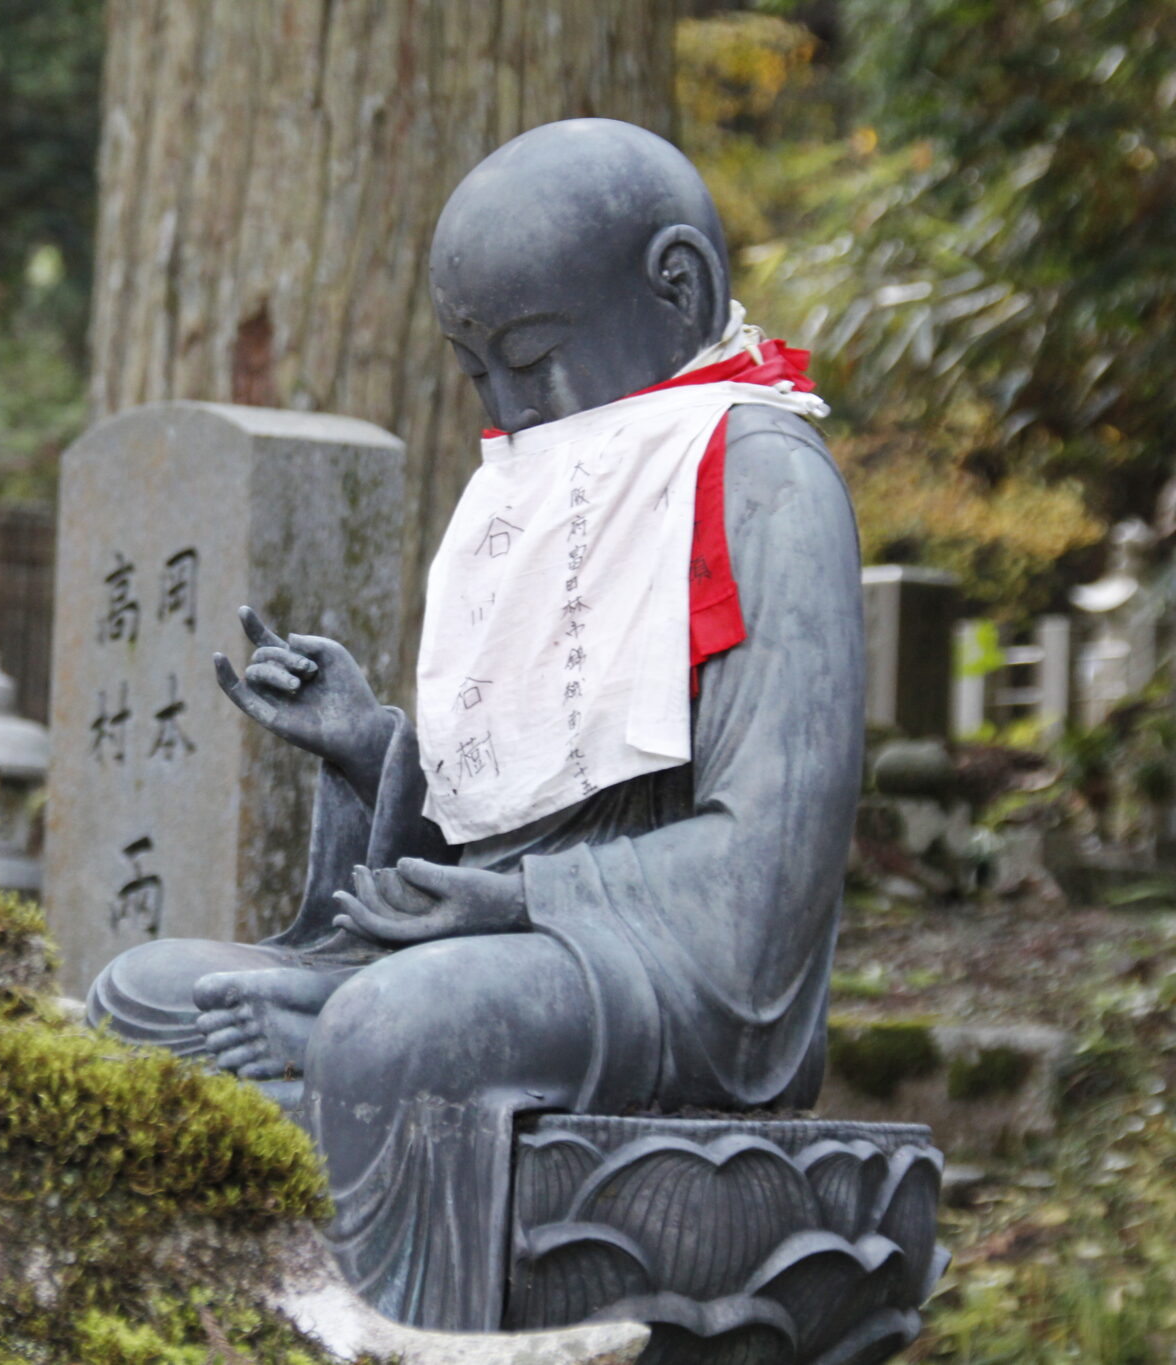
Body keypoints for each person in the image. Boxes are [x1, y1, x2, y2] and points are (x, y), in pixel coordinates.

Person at [84, 119, 865, 1331]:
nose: (505, 404)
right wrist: (372, 751)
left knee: (396, 1028)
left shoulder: (761, 474)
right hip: (512, 939)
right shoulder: (552, 476)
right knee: (140, 994)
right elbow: (527, 792)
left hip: (671, 975)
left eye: (530, 355)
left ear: (679, 287)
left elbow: (766, 873)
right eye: (474, 373)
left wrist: (517, 906)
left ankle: (384, 1335)